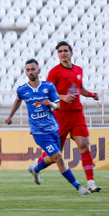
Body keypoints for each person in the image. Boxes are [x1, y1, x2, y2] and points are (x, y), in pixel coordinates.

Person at [5, 59, 90, 195]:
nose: (30, 72)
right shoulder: (22, 90)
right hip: (38, 132)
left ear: (38, 70)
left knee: (52, 158)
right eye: (28, 70)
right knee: (58, 157)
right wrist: (10, 116)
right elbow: (18, 100)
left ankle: (36, 169)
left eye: (33, 69)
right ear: (26, 72)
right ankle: (78, 187)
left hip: (53, 128)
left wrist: (50, 103)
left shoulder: (49, 87)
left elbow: (58, 105)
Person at [35, 41, 101, 192]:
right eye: (60, 51)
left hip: (77, 114)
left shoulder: (78, 70)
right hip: (60, 116)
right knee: (55, 154)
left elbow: (79, 88)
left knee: (84, 146)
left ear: (71, 53)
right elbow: (45, 92)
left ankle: (91, 183)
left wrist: (91, 94)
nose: (63, 53)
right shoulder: (55, 72)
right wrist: (62, 97)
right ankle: (36, 168)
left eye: (65, 50)